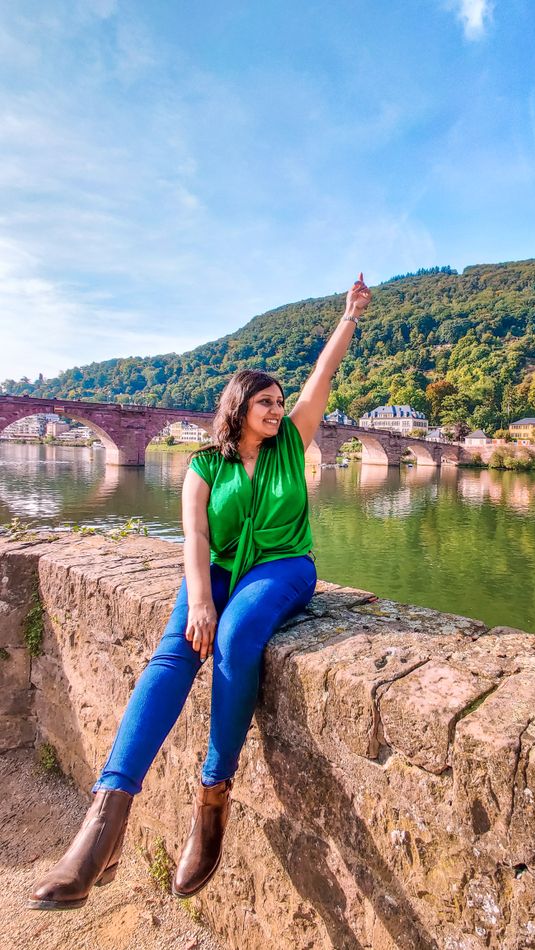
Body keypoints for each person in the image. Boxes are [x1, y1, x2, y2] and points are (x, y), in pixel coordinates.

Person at [28, 273, 372, 910]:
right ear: (237, 406)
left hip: (283, 567)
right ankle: (106, 818)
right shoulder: (204, 466)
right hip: (216, 569)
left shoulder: (291, 444)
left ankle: (213, 798)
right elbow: (192, 539)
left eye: (278, 402)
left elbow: (322, 373)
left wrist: (349, 316)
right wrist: (202, 600)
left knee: (238, 638)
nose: (275, 410)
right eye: (263, 402)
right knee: (177, 649)